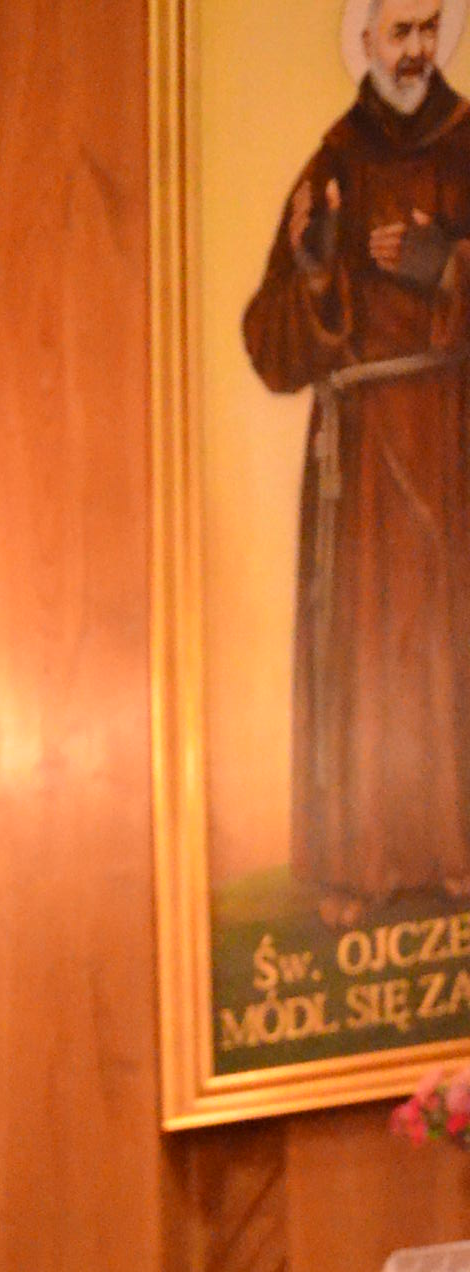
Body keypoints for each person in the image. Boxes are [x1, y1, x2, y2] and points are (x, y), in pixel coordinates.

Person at [242, 1, 470, 917]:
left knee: (454, 640)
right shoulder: (332, 161)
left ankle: (460, 850)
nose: (414, 50)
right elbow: (271, 349)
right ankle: (361, 866)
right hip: (361, 457)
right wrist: (312, 272)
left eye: (427, 29)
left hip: (455, 441)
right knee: (365, 655)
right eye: (398, 32)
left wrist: (448, 268)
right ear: (366, 42)